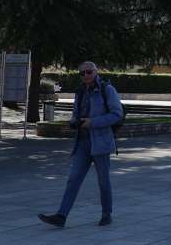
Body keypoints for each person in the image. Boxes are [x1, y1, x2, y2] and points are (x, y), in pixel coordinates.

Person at [39, 62, 123, 228]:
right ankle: (61, 216)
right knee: (73, 179)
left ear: (96, 72)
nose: (85, 75)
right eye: (82, 73)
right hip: (82, 143)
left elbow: (117, 114)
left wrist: (93, 122)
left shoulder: (107, 90)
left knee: (103, 181)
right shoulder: (80, 92)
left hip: (100, 142)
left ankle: (107, 214)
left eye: (89, 72)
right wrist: (73, 121)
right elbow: (76, 113)